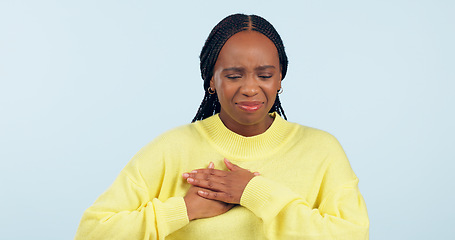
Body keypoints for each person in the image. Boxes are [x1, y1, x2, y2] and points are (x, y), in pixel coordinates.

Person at [75, 14, 369, 239]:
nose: (250, 89)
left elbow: (353, 234)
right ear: (212, 81)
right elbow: (91, 231)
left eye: (264, 75)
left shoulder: (321, 151)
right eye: (233, 75)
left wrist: (254, 192)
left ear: (280, 79)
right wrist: (183, 210)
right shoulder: (170, 149)